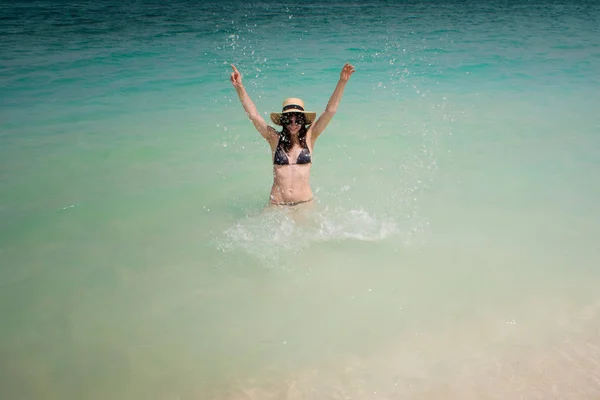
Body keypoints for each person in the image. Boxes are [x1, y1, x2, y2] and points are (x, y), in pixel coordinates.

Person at [230, 62, 356, 206]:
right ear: (283, 121)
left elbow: (330, 111)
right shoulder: (274, 138)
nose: (293, 123)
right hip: (277, 205)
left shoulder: (311, 136)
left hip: (304, 204)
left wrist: (342, 82)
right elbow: (254, 115)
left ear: (303, 120)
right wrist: (240, 87)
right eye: (288, 119)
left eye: (298, 119)